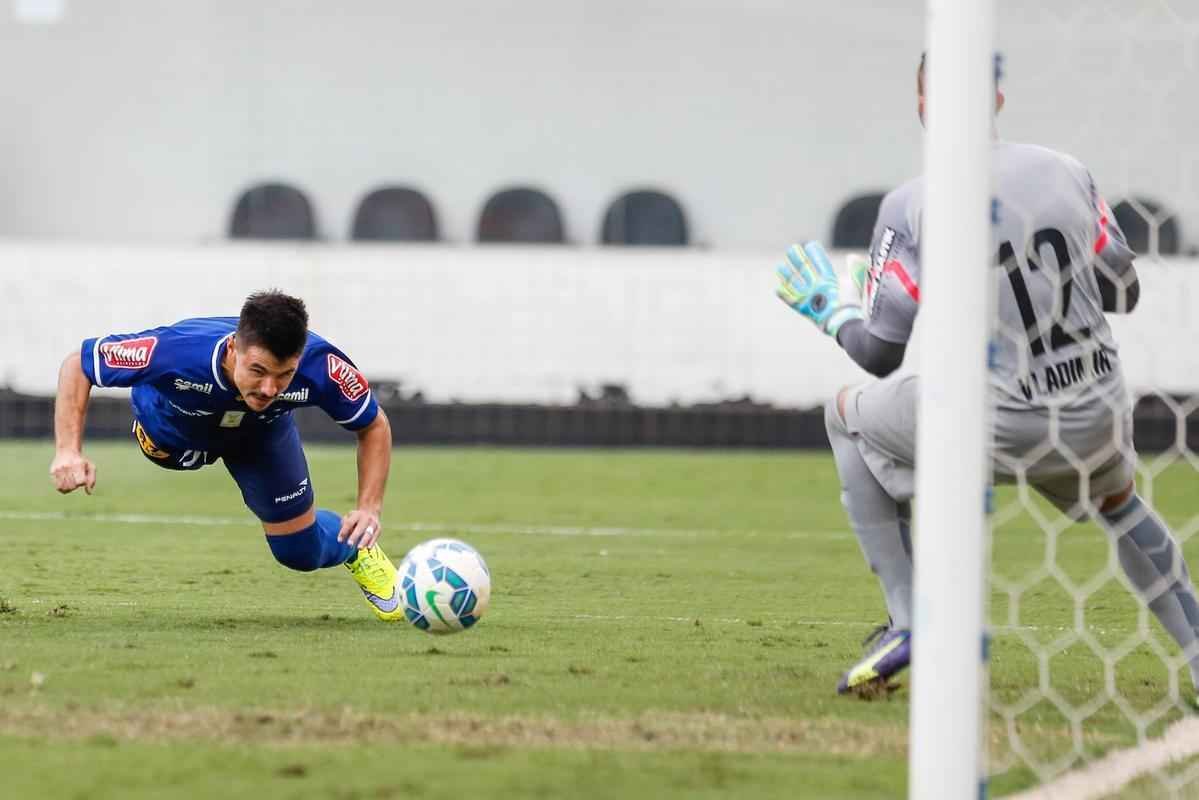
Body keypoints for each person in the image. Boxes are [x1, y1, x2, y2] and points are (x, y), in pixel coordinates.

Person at [775, 54, 1199, 696]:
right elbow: (1124, 292)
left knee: (843, 412)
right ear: (996, 99)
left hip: (992, 420)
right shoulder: (1068, 170)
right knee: (1121, 504)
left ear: (923, 107)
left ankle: (910, 620)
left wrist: (830, 312)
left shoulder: (910, 204)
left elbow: (882, 352)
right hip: (1093, 408)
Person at [48, 290, 405, 621]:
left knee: (297, 552)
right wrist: (68, 451)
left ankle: (356, 550)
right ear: (234, 348)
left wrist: (368, 508)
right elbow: (78, 364)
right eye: (258, 371)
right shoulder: (176, 350)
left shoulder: (322, 366)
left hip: (259, 437)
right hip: (173, 436)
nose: (269, 388)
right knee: (165, 452)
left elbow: (374, 425)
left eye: (284, 375)